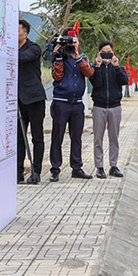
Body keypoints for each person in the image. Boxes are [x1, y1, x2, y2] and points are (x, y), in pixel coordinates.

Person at [49, 29, 95, 181]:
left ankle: (77, 167)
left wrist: (77, 58)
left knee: (77, 137)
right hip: (61, 102)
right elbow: (57, 76)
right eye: (68, 41)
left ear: (77, 42)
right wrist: (58, 57)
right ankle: (55, 169)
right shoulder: (58, 58)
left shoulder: (82, 59)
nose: (71, 44)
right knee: (57, 136)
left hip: (77, 104)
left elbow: (89, 73)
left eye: (73, 41)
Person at [89, 41, 130, 179]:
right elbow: (96, 83)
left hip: (115, 106)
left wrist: (117, 66)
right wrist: (98, 66)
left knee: (114, 138)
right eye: (104, 52)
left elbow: (125, 80)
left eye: (109, 52)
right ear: (99, 53)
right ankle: (99, 167)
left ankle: (113, 166)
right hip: (99, 106)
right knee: (98, 139)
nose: (107, 54)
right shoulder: (95, 68)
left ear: (113, 52)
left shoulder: (118, 67)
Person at [17, 18, 46, 184]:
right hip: (18, 101)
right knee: (19, 138)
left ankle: (36, 172)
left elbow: (24, 57)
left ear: (25, 33)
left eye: (18, 30)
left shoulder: (34, 48)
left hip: (34, 99)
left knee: (37, 137)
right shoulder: (13, 48)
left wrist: (5, 50)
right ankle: (18, 172)